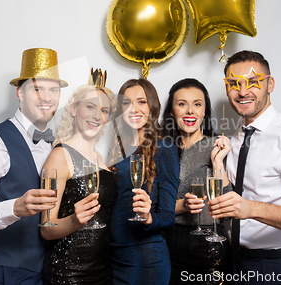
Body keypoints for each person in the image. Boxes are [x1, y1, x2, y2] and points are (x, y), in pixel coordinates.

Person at [207, 50, 281, 285]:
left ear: (269, 84)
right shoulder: (235, 140)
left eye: (253, 83)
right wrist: (217, 163)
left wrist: (251, 208)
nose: (243, 92)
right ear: (226, 89)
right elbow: (233, 200)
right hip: (237, 263)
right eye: (234, 84)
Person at [0, 48, 68, 285]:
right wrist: (15, 207)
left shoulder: (56, 144)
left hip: (48, 269)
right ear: (19, 92)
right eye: (37, 88)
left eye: (54, 90)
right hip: (9, 272)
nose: (46, 97)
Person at [40, 73, 118, 285]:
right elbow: (46, 229)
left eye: (104, 111)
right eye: (90, 107)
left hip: (103, 270)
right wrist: (75, 220)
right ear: (74, 109)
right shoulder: (59, 156)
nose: (96, 116)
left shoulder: (101, 159)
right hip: (69, 273)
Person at [161, 78, 233, 284]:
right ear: (172, 112)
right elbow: (155, 209)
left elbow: (227, 205)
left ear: (204, 112)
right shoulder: (161, 150)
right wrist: (182, 206)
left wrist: (217, 162)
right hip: (168, 247)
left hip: (208, 248)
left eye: (197, 104)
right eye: (182, 104)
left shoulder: (218, 147)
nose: (190, 111)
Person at [108, 78, 180, 285]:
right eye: (126, 103)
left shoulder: (164, 148)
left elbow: (168, 216)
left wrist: (148, 217)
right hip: (113, 257)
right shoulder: (115, 149)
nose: (134, 109)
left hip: (146, 259)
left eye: (141, 101)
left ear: (152, 107)